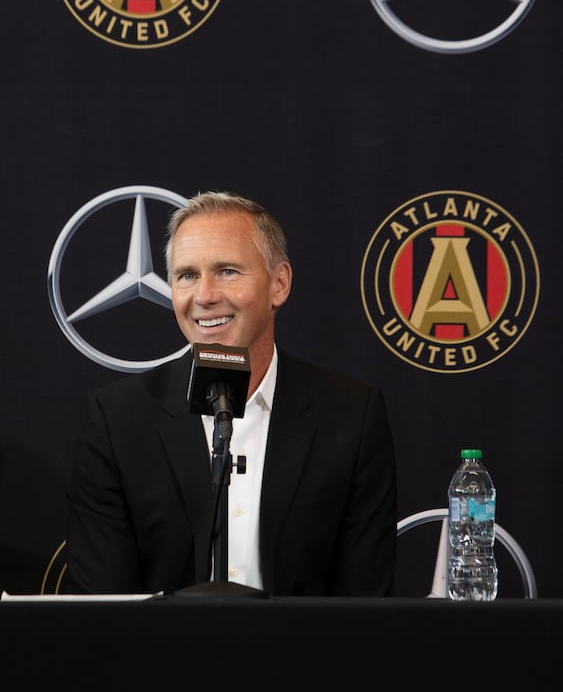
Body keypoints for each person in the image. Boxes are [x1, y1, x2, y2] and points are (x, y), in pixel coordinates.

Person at [62, 190, 397, 596]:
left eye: (227, 272)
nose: (203, 296)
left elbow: (365, 605)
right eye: (187, 275)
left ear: (279, 284)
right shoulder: (115, 421)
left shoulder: (350, 418)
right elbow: (101, 607)